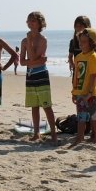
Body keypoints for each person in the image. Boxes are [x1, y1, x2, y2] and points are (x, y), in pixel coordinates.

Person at [20, 11, 57, 144]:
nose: (30, 23)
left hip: (41, 75)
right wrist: (36, 61)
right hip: (30, 75)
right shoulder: (24, 40)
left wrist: (30, 42)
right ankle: (36, 133)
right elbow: (22, 62)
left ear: (40, 23)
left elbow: (34, 56)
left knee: (46, 105)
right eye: (28, 20)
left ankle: (54, 134)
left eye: (33, 20)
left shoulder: (42, 39)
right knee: (34, 106)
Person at [71, 28, 96, 146]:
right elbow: (76, 76)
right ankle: (79, 138)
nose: (81, 44)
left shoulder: (93, 56)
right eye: (80, 41)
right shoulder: (78, 57)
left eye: (84, 42)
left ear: (92, 43)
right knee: (81, 116)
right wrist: (74, 91)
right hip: (80, 92)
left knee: (95, 115)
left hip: (90, 93)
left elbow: (94, 75)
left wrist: (89, 92)